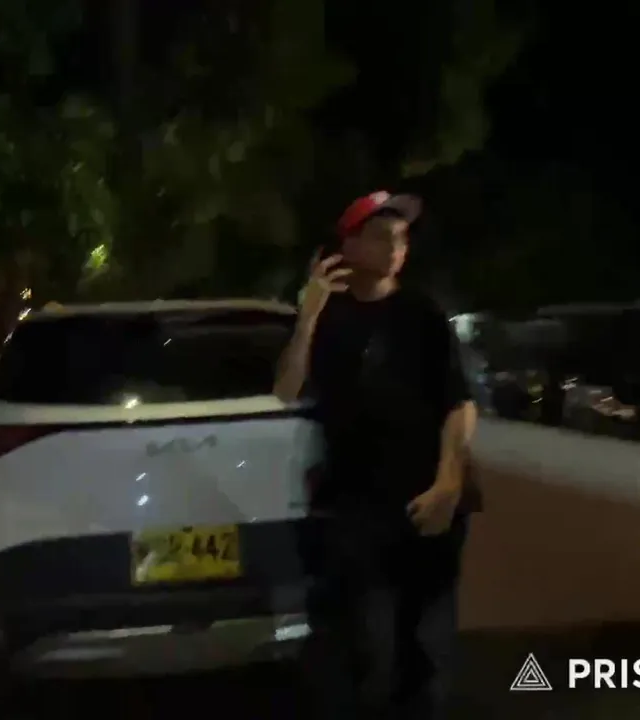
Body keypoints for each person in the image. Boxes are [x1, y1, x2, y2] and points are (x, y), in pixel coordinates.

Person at [274, 191, 478, 719]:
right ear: (348, 245)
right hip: (356, 503)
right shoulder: (328, 317)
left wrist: (448, 484)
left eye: (402, 239)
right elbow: (287, 391)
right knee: (363, 642)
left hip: (427, 499)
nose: (395, 248)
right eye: (382, 237)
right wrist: (307, 316)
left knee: (424, 648)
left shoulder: (422, 314)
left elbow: (459, 404)